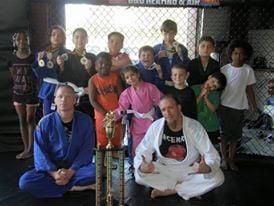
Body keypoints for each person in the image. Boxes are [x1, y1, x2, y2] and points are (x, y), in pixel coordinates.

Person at [134, 94, 224, 200]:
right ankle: (186, 189)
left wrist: (207, 167)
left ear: (179, 107)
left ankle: (171, 189)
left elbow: (211, 154)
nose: (167, 113)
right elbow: (143, 150)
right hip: (164, 169)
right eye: (163, 110)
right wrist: (143, 166)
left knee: (218, 177)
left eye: (170, 108)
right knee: (139, 175)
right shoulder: (156, 126)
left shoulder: (194, 127)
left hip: (189, 170)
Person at [19, 85, 96, 198]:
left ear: (75, 99)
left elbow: (86, 151)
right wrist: (54, 173)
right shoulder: (45, 123)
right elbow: (40, 153)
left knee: (95, 172)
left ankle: (61, 187)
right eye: (60, 96)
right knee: (25, 182)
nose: (63, 100)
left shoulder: (86, 121)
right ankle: (74, 187)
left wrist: (70, 172)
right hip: (51, 170)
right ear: (54, 99)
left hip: (76, 169)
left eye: (68, 97)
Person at [219, 40, 257, 171]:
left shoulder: (248, 70)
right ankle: (223, 159)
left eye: (241, 53)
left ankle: (231, 159)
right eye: (235, 53)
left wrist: (253, 105)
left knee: (235, 137)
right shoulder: (224, 69)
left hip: (239, 107)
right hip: (224, 106)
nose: (238, 56)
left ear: (246, 55)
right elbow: (218, 88)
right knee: (224, 135)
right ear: (231, 54)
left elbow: (250, 89)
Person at [115, 65, 162, 159]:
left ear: (138, 74)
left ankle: (154, 164)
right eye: (127, 77)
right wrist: (112, 116)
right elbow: (122, 108)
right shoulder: (126, 93)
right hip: (137, 122)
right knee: (136, 145)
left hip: (151, 121)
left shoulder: (150, 88)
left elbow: (160, 101)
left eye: (132, 75)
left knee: (154, 144)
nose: (130, 78)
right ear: (125, 80)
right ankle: (138, 165)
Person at [7, 31, 38, 159]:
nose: (22, 42)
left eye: (24, 39)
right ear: (15, 42)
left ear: (28, 41)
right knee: (21, 119)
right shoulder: (11, 58)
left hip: (31, 93)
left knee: (30, 119)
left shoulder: (34, 57)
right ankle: (26, 148)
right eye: (19, 39)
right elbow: (13, 75)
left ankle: (31, 149)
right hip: (18, 93)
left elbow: (37, 75)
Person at [57, 27, 96, 118]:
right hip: (71, 96)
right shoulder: (66, 57)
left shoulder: (92, 57)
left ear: (87, 40)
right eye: (77, 37)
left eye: (83, 37)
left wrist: (89, 69)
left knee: (88, 121)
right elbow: (61, 79)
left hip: (88, 96)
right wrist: (61, 66)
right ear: (73, 40)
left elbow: (96, 78)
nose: (80, 40)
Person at [88, 52, 123, 149]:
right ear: (95, 65)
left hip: (115, 114)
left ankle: (115, 161)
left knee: (115, 139)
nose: (104, 66)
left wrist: (119, 112)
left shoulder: (116, 77)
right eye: (101, 63)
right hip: (101, 115)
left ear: (111, 65)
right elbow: (93, 100)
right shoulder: (93, 80)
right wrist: (106, 114)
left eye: (107, 63)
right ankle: (102, 163)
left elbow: (121, 97)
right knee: (102, 140)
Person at [32, 25, 69, 115]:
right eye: (54, 34)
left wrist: (62, 66)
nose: (56, 37)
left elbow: (69, 73)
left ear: (63, 38)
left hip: (61, 86)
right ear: (50, 37)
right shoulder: (42, 53)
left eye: (59, 35)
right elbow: (38, 73)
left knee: (62, 113)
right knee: (47, 113)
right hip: (47, 87)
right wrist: (39, 60)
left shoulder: (67, 54)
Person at [192, 72, 227, 145]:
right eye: (213, 81)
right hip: (196, 125)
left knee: (209, 148)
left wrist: (206, 98)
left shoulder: (215, 94)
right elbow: (190, 106)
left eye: (214, 86)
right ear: (209, 77)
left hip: (211, 126)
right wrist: (201, 94)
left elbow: (213, 109)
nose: (211, 85)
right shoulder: (194, 88)